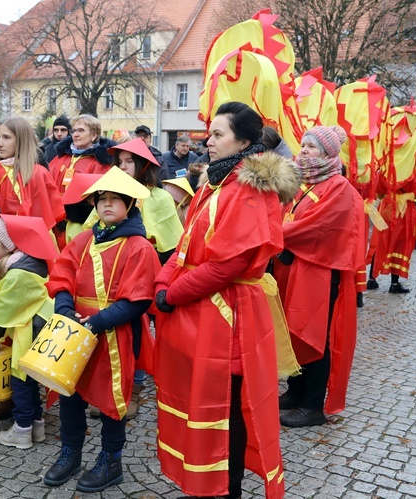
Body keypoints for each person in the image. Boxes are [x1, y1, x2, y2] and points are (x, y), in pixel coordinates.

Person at [153, 102, 299, 499]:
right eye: (209, 133)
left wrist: (171, 294)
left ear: (245, 141)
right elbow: (184, 248)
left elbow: (226, 266)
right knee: (203, 404)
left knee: (229, 411)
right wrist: (162, 282)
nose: (208, 141)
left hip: (231, 316)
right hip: (204, 312)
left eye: (218, 134)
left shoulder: (250, 190)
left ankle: (226, 489)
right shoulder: (215, 183)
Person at [43, 167, 159, 493]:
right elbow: (63, 275)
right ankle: (71, 453)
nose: (107, 205)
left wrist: (96, 322)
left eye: (114, 200)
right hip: (75, 332)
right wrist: (65, 310)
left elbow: (138, 300)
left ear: (129, 205)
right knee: (70, 391)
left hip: (113, 333)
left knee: (112, 399)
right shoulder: (83, 238)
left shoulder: (140, 247)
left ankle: (111, 459)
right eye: (101, 199)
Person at [0, 116, 65, 422]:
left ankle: (25, 400)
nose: (0, 143)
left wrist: (22, 258)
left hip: (26, 264)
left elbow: (48, 224)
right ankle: (2, 391)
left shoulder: (38, 175)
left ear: (21, 140)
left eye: (7, 137)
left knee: (24, 330)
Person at [273, 126, 364, 429]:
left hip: (320, 275)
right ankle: (296, 392)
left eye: (311, 146)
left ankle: (312, 406)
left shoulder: (339, 187)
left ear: (328, 153)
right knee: (294, 333)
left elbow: (318, 227)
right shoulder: (303, 183)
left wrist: (275, 235)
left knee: (315, 337)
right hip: (295, 269)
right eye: (302, 144)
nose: (303, 150)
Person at [0, 215, 59, 449]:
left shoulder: (18, 274)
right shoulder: (27, 266)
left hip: (31, 332)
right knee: (29, 381)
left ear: (10, 247)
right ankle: (36, 425)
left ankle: (21, 430)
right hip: (35, 327)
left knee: (20, 382)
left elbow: (1, 311)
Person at [109, 137, 184, 419]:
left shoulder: (160, 197)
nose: (124, 166)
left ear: (142, 165)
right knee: (119, 330)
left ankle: (137, 386)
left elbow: (172, 243)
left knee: (142, 330)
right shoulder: (112, 194)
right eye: (120, 162)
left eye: (129, 161)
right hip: (115, 271)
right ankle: (117, 385)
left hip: (148, 272)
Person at [48, 114, 114, 248]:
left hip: (82, 225)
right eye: (74, 131)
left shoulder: (101, 164)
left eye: (81, 130)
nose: (75, 135)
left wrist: (71, 214)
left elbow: (99, 197)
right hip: (56, 222)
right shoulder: (61, 158)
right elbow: (47, 185)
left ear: (94, 135)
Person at [367, 152, 416, 293]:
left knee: (380, 241)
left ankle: (372, 279)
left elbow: (379, 191)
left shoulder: (385, 170)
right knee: (400, 244)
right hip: (404, 212)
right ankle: (394, 283)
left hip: (387, 207)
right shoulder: (412, 172)